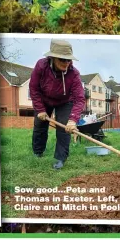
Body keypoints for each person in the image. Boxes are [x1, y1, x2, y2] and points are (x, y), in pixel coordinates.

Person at [29, 39, 86, 170]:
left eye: (68, 60)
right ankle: (38, 152)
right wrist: (40, 109)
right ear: (53, 57)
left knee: (64, 128)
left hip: (65, 102)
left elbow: (79, 98)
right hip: (44, 99)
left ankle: (60, 159)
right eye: (62, 59)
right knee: (40, 126)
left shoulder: (74, 74)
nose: (66, 63)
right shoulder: (41, 66)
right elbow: (33, 88)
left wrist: (72, 120)